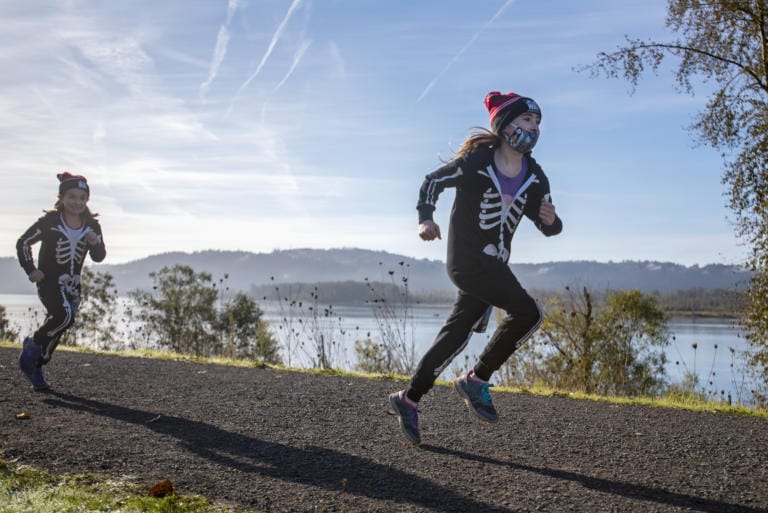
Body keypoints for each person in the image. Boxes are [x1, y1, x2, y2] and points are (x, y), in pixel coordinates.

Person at [389, 91, 563, 444]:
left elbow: (546, 226)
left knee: (456, 333)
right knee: (528, 312)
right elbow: (432, 182)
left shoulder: (536, 176)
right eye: (527, 120)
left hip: (494, 265)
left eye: (538, 122)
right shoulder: (476, 161)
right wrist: (426, 220)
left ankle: (408, 399)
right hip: (467, 261)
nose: (534, 128)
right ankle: (477, 379)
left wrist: (552, 220)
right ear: (504, 123)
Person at [16, 172, 106, 391]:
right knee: (63, 316)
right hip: (49, 281)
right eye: (72, 196)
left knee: (62, 323)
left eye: (82, 198)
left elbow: (99, 256)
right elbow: (23, 242)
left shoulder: (92, 226)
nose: (77, 202)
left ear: (87, 200)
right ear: (62, 198)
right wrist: (31, 269)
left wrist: (95, 243)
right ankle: (32, 345)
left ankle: (37, 366)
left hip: (73, 284)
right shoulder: (50, 222)